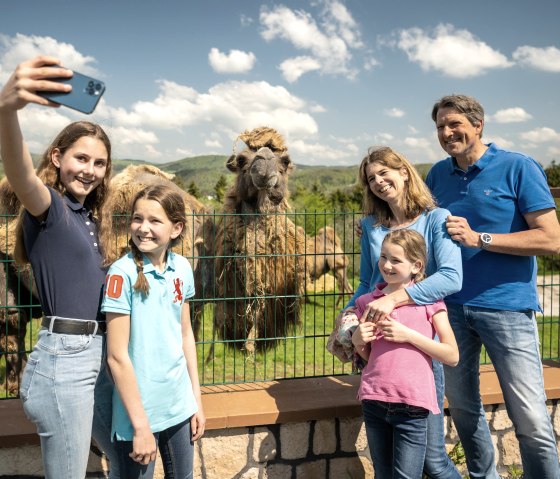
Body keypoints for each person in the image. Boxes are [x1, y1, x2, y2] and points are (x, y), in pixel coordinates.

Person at [426, 94, 560, 479]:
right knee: (465, 411)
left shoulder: (518, 167)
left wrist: (480, 238)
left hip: (508, 308)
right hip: (449, 309)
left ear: (478, 124)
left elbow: (551, 239)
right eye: (440, 127)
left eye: (454, 124)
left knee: (531, 419)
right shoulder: (437, 174)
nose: (447, 132)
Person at [0, 56, 119, 478]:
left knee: (124, 456)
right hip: (63, 365)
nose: (89, 170)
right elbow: (20, 175)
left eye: (99, 163)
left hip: (97, 357)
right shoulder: (49, 209)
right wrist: (7, 109)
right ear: (56, 156)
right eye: (80, 158)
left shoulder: (89, 218)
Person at [345, 146, 463, 479]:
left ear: (405, 172)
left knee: (433, 461)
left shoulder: (437, 219)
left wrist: (396, 301)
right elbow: (367, 282)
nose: (379, 182)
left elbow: (451, 278)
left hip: (421, 354)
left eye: (385, 173)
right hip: (379, 356)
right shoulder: (370, 226)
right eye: (371, 179)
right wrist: (348, 319)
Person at [102, 184, 206, 478]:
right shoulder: (121, 274)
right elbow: (117, 357)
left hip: (179, 407)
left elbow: (186, 335)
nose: (143, 228)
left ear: (176, 228)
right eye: (138, 218)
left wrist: (196, 402)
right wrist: (140, 426)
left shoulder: (183, 268)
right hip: (138, 415)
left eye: (154, 221)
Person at [352, 229, 459, 479]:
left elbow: (452, 355)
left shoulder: (431, 301)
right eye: (383, 257)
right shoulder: (367, 302)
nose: (386, 265)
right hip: (374, 399)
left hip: (412, 406)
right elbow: (372, 357)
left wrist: (407, 334)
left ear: (416, 265)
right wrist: (358, 342)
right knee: (383, 474)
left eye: (396, 260)